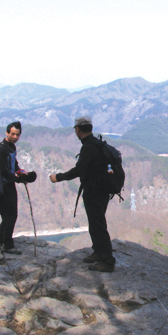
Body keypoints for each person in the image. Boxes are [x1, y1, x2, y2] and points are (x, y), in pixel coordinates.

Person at [50, 116, 116, 272]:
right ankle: (98, 252)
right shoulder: (98, 144)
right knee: (95, 223)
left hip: (94, 191)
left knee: (98, 225)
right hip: (102, 191)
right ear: (91, 128)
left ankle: (107, 260)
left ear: (77, 130)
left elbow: (79, 170)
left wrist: (58, 177)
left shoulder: (88, 147)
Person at [0, 121, 36, 254]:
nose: (15, 137)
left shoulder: (11, 147)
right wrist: (19, 179)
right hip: (2, 185)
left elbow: (13, 164)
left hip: (9, 184)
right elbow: (4, 171)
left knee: (8, 215)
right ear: (7, 133)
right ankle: (8, 245)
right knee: (10, 215)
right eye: (13, 134)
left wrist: (21, 172)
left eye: (17, 134)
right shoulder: (1, 149)